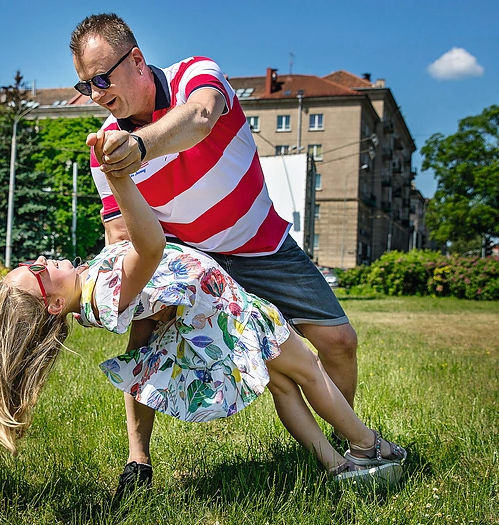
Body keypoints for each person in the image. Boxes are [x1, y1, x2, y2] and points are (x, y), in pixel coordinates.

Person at [0, 164, 407, 488]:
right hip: (231, 316)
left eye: (32, 262)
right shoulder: (104, 292)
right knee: (309, 371)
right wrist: (119, 180)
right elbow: (150, 245)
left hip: (220, 321)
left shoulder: (89, 295)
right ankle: (369, 446)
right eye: (39, 272)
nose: (42, 259)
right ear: (54, 304)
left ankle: (334, 466)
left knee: (285, 387)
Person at [70, 13, 363, 495]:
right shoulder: (104, 148)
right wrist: (123, 295)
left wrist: (140, 147)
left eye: (102, 79)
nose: (97, 95)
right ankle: (138, 463)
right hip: (193, 263)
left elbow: (201, 117)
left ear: (136, 60)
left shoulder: (194, 74)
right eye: (86, 86)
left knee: (339, 342)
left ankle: (347, 442)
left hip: (261, 244)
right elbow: (119, 235)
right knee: (142, 339)